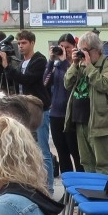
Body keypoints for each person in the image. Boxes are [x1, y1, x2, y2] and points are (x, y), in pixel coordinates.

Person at [1, 30, 53, 193]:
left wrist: (7, 66)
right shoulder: (21, 62)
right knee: (26, 149)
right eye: (19, 43)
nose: (21, 46)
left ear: (32, 43)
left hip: (39, 110)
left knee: (43, 150)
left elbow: (27, 79)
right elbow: (14, 82)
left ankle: (48, 187)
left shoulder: (39, 60)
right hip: (24, 111)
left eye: (24, 43)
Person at [64, 30, 108, 174]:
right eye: (80, 50)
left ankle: (102, 194)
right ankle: (91, 192)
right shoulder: (81, 64)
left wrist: (89, 66)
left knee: (102, 164)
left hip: (98, 121)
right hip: (80, 120)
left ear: (96, 50)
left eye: (85, 50)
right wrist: (75, 64)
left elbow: (104, 84)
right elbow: (67, 83)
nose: (83, 54)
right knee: (86, 162)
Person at [45, 33, 80, 173]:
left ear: (74, 47)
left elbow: (69, 81)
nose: (64, 50)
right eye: (61, 47)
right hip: (56, 114)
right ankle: (67, 192)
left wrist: (65, 61)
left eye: (68, 47)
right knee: (62, 154)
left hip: (71, 115)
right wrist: (51, 61)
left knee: (76, 153)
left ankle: (79, 187)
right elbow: (45, 82)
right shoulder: (56, 65)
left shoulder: (77, 65)